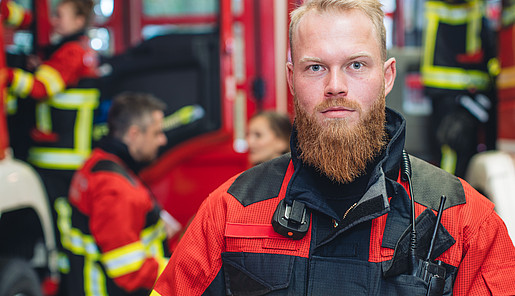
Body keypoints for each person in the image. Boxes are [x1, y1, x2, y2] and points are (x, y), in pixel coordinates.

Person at [151, 0, 515, 295]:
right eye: (315, 68)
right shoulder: (228, 214)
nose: (335, 86)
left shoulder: (466, 224)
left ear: (387, 77)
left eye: (356, 65)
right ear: (291, 80)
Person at [55, 92, 177, 296]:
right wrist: (178, 270)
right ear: (134, 134)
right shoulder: (116, 190)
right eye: (157, 133)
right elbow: (128, 270)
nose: (163, 140)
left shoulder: (97, 161)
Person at [421, 0, 499, 178]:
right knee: (453, 148)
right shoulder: (463, 7)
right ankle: (446, 202)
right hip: (456, 91)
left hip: (461, 90)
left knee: (456, 150)